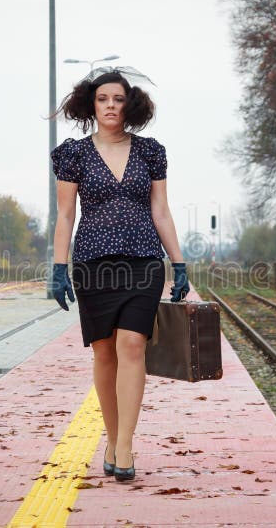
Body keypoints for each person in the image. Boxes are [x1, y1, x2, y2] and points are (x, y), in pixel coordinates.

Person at [49, 68, 189, 482]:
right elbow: (64, 215)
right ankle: (111, 439)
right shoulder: (73, 154)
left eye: (118, 99)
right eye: (103, 99)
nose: (111, 105)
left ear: (130, 104)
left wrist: (178, 262)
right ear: (91, 105)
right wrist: (59, 268)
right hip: (93, 265)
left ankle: (124, 446)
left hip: (144, 262)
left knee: (132, 346)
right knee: (104, 352)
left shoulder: (150, 152)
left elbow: (161, 211)